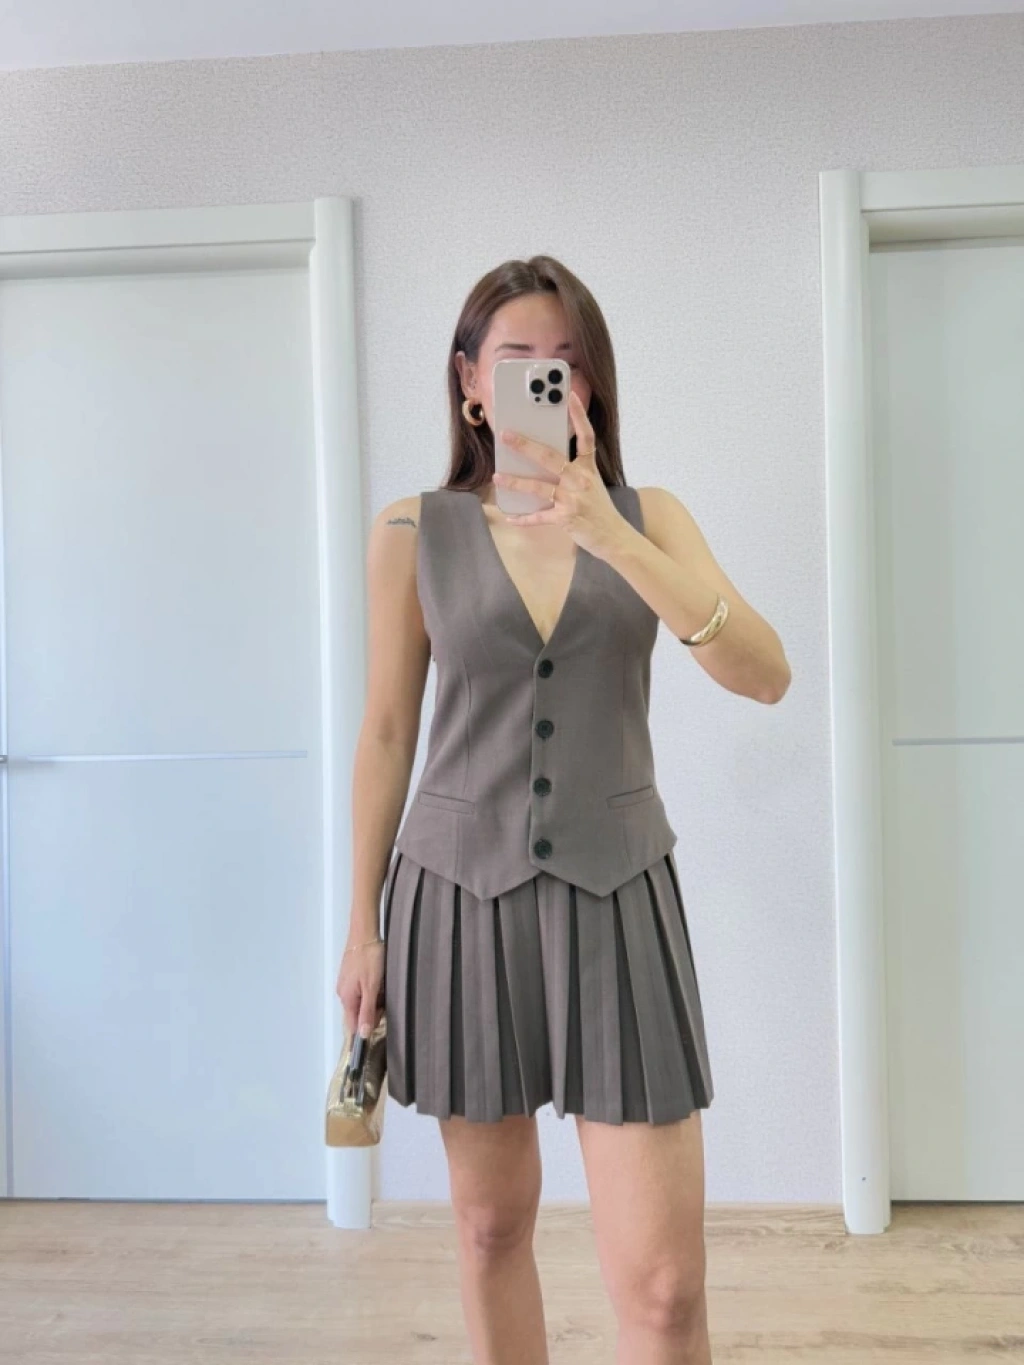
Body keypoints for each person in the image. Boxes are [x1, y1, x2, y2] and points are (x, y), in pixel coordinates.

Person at [337, 255, 791, 1365]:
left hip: (618, 896)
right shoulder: (411, 532)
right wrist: (362, 926)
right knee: (491, 1228)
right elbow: (387, 733)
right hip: (457, 899)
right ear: (469, 382)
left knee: (667, 1288)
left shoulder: (649, 517)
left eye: (570, 362)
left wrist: (611, 536)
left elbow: (764, 674)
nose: (549, 379)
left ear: (593, 387)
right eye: (518, 359)